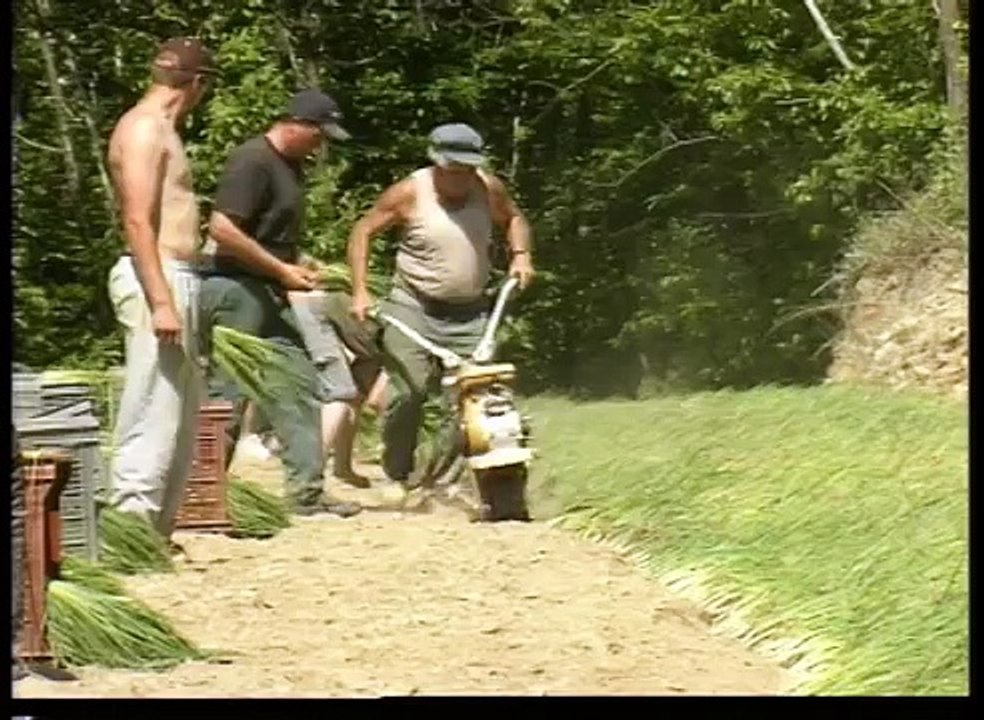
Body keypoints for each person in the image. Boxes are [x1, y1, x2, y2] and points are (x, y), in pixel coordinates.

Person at [346, 123, 535, 497]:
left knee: (476, 395)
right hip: (413, 307)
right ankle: (397, 473)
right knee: (409, 391)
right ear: (437, 163)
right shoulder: (409, 192)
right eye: (455, 170)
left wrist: (522, 255)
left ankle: (444, 477)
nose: (463, 178)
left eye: (468, 169)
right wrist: (360, 291)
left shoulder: (488, 188)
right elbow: (362, 231)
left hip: (470, 312)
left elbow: (513, 218)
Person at [198, 89, 361, 518]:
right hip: (236, 289)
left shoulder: (290, 166)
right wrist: (280, 270)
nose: (320, 146)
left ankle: (306, 495)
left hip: (268, 289)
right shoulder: (252, 160)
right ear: (297, 125)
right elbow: (223, 230)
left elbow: (269, 233)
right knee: (227, 397)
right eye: (319, 136)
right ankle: (200, 496)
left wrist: (301, 264)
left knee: (298, 380)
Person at [104, 38, 218, 539]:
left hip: (178, 276)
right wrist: (161, 300)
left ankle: (155, 535)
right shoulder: (145, 129)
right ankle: (131, 526)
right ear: (197, 83)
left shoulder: (164, 129)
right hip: (158, 278)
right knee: (152, 406)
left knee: (178, 415)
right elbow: (136, 218)